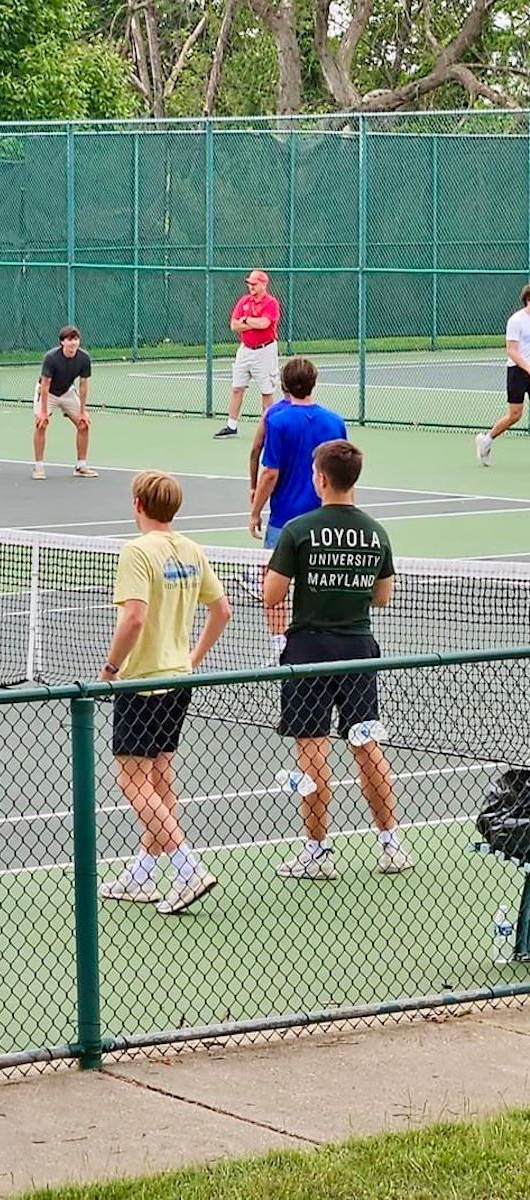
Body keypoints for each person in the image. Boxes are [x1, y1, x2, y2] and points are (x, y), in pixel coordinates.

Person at [263, 439, 414, 881]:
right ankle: (390, 845)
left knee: (312, 752)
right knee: (367, 746)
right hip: (358, 652)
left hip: (309, 654)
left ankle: (317, 852)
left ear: (322, 478)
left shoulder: (297, 530)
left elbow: (272, 595)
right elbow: (382, 597)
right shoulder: (375, 532)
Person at [97, 472, 231, 916]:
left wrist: (111, 669)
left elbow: (133, 618)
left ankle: (186, 867)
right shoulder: (191, 549)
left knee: (132, 781)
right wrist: (191, 658)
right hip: (178, 679)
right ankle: (143, 874)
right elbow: (222, 609)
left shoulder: (136, 550)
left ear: (138, 504)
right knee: (159, 777)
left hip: (142, 680)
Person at [247, 357, 346, 663]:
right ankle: (318, 644)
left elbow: (270, 472)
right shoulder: (336, 421)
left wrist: (254, 511)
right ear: (313, 383)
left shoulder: (276, 420)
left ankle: (280, 649)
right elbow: (344, 473)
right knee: (318, 583)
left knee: (273, 589)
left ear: (284, 385)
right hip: (327, 520)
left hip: (283, 522)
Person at [214, 269, 281, 439]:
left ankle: (268, 429)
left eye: (254, 284)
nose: (251, 286)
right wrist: (249, 322)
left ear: (263, 284)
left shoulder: (271, 303)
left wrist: (246, 320)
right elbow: (234, 325)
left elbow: (265, 323)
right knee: (237, 388)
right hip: (245, 350)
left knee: (266, 391)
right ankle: (231, 426)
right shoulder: (244, 301)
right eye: (249, 283)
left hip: (265, 351)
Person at [33, 326, 98, 480]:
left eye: (76, 339)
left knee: (84, 424)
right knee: (41, 424)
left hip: (67, 392)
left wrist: (83, 411)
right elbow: (45, 384)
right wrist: (43, 412)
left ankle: (81, 466)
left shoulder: (84, 358)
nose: (73, 343)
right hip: (47, 393)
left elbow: (83, 385)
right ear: (62, 342)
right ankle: (38, 467)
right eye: (69, 339)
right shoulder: (51, 357)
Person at [476, 282, 530, 466]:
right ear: (528, 300)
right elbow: (512, 351)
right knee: (515, 415)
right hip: (517, 371)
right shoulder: (516, 321)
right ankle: (486, 440)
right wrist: (528, 368)